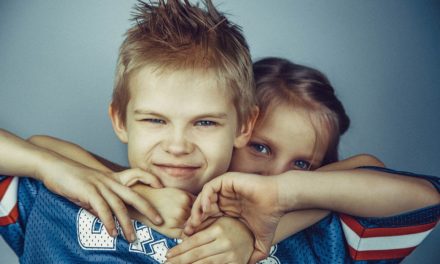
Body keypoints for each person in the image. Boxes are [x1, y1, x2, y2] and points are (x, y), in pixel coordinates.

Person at [0, 0, 260, 263]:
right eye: (155, 120)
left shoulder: (262, 232)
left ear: (244, 126)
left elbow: (301, 195)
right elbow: (38, 146)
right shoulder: (60, 199)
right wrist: (49, 167)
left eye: (205, 123)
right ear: (120, 120)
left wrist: (255, 233)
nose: (178, 146)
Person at [181, 58, 440, 263]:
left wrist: (281, 195)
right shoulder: (175, 197)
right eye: (260, 148)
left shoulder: (328, 235)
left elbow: (426, 199)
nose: (276, 175)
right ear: (234, 133)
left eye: (301, 164)